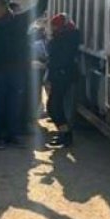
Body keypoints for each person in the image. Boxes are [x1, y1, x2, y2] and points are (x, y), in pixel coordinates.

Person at [0, 0, 50, 148]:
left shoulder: (18, 21)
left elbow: (40, 7)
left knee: (15, 104)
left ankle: (12, 134)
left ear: (4, 8)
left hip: (17, 69)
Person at [45, 13, 81, 148]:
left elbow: (60, 58)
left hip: (62, 75)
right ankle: (64, 133)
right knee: (55, 105)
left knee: (54, 106)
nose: (53, 29)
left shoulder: (65, 39)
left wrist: (53, 69)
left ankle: (65, 135)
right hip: (61, 75)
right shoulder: (68, 37)